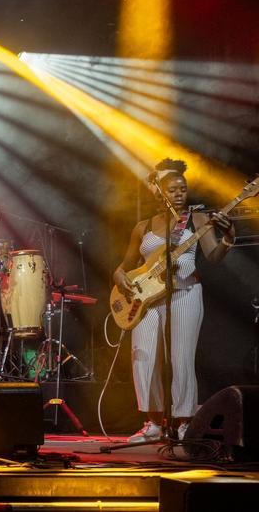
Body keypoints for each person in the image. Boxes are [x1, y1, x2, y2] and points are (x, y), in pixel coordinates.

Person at [114, 158, 235, 443]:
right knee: (142, 357)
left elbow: (214, 256)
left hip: (184, 292)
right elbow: (123, 266)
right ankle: (153, 423)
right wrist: (120, 278)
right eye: (173, 189)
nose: (180, 192)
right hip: (146, 299)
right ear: (160, 192)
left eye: (183, 188)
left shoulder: (197, 219)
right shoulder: (142, 227)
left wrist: (229, 237)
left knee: (180, 358)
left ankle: (184, 423)